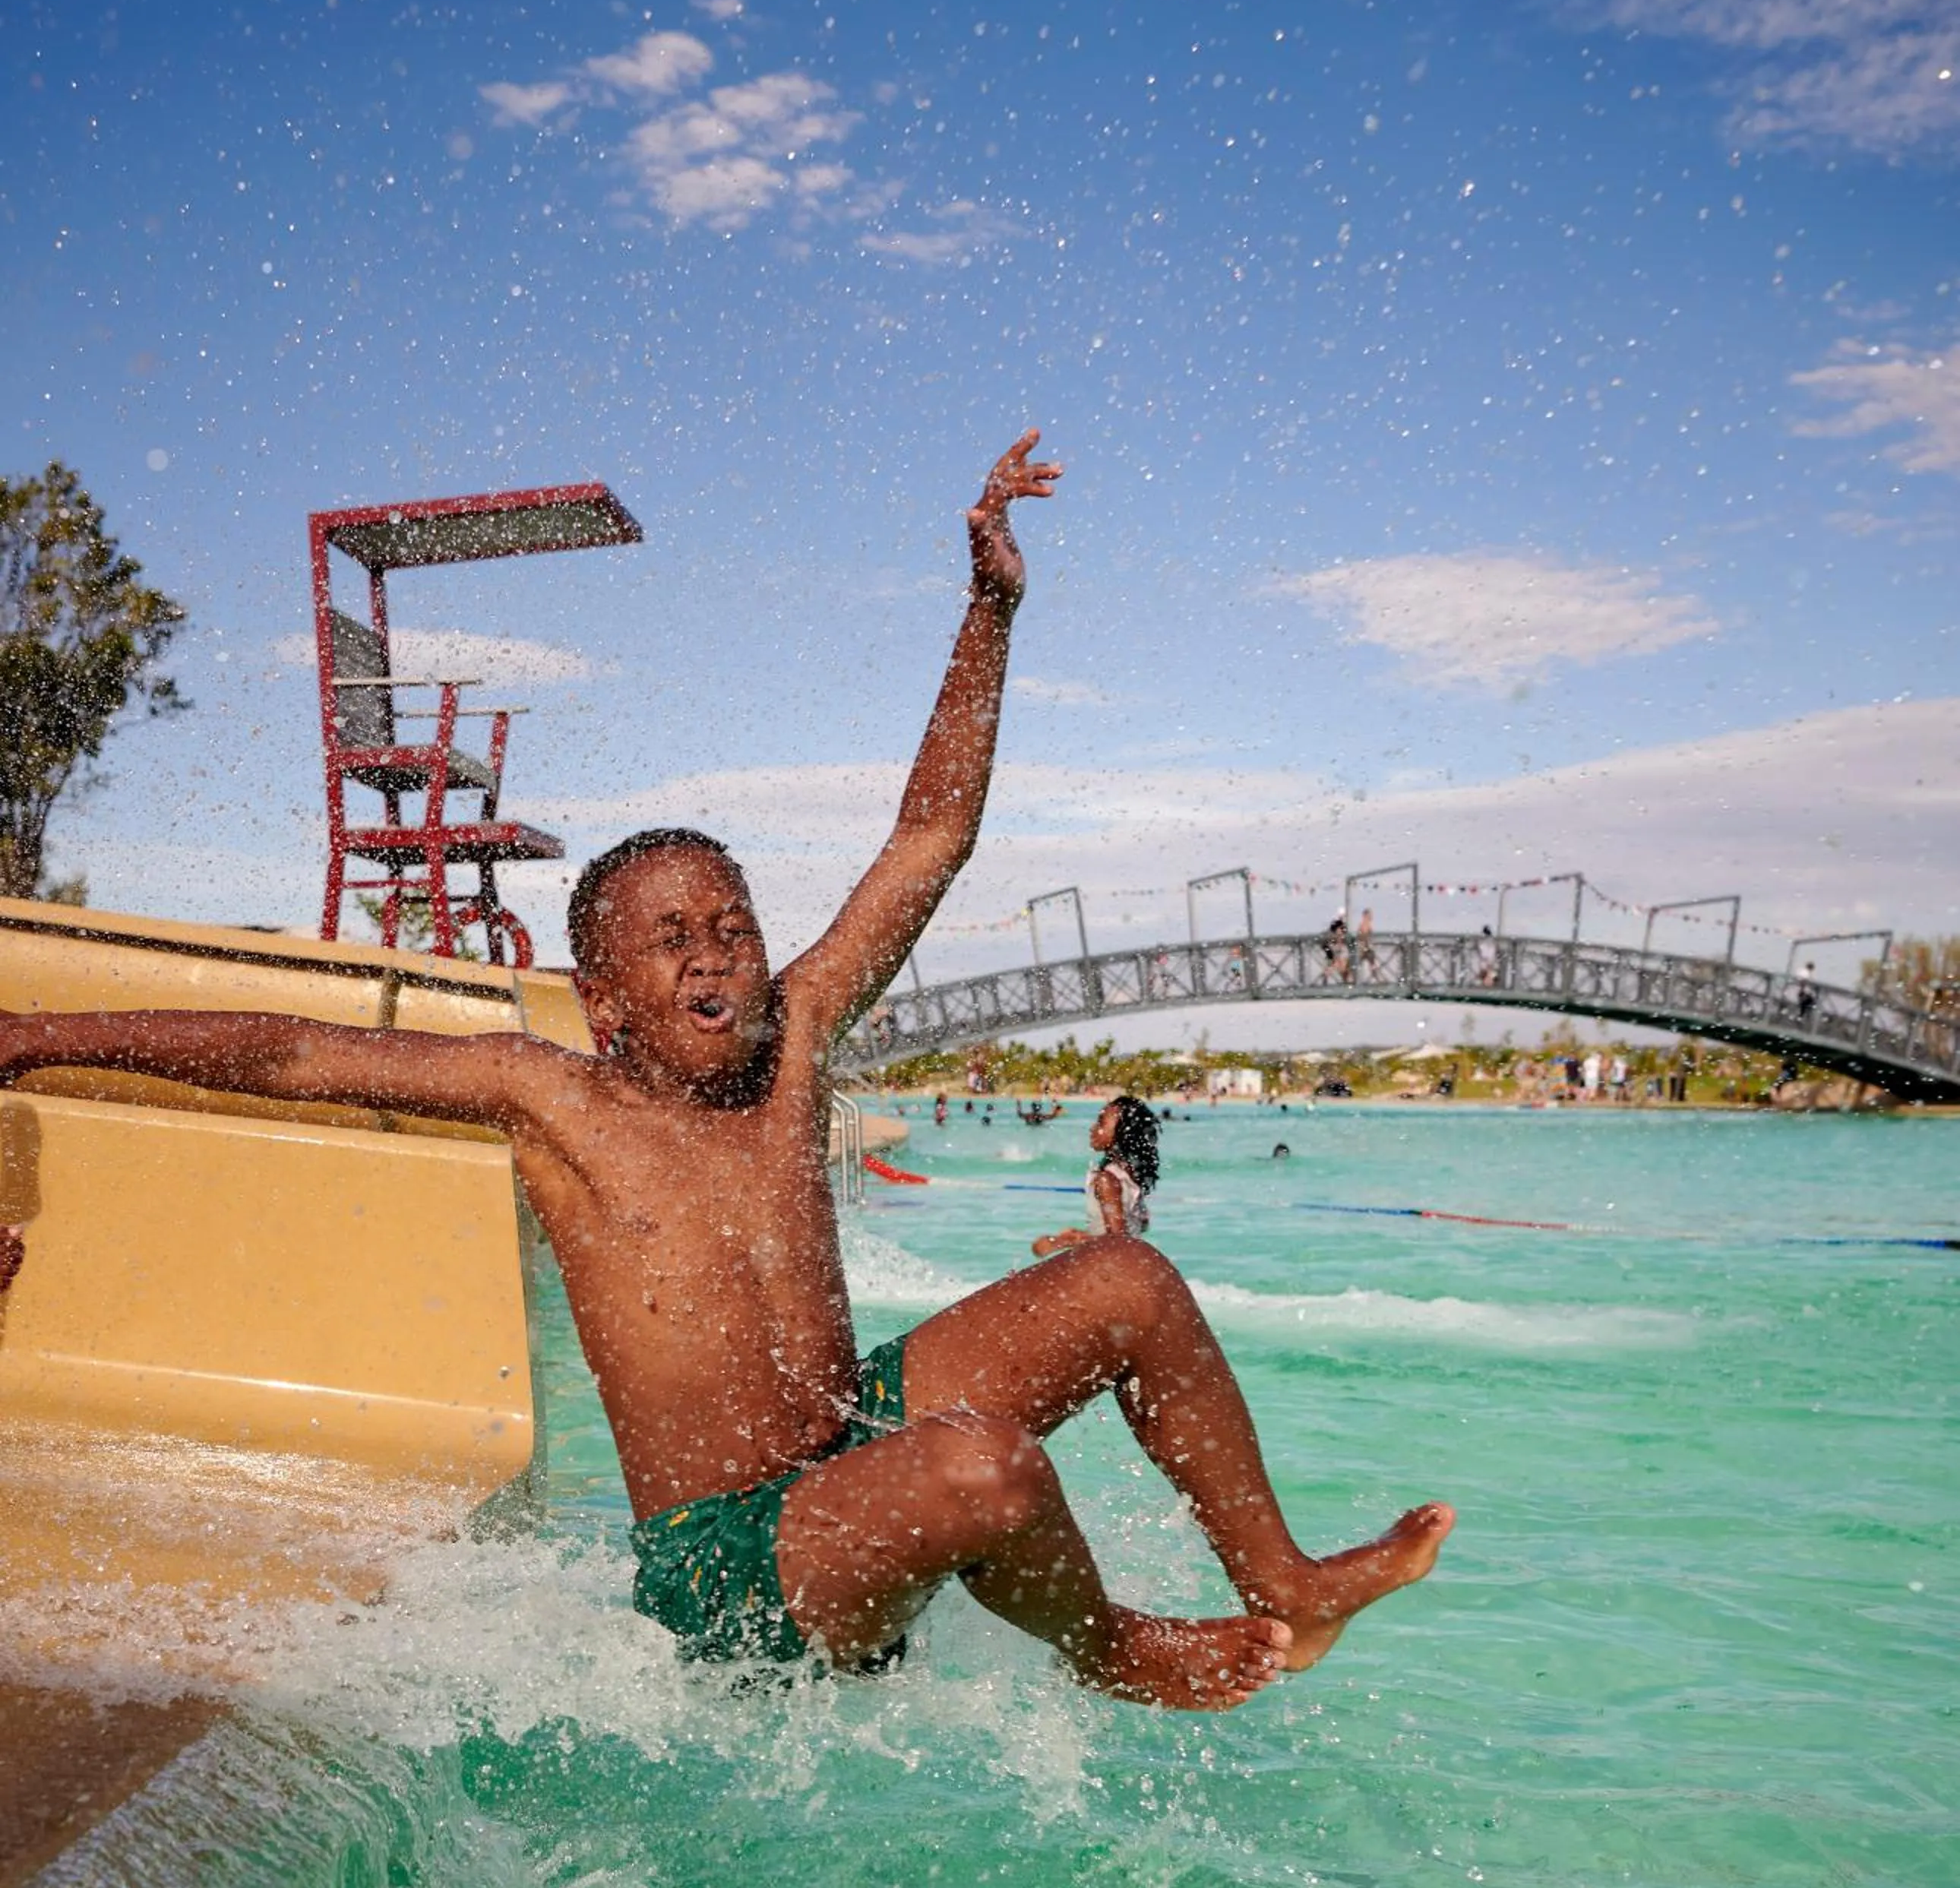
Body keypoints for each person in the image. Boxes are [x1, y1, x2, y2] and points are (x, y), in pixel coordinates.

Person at [0, 434, 1449, 1711]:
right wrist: (34, 1041)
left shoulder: (798, 1034)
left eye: (735, 928)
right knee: (990, 1469)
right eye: (671, 941)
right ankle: (1116, 1651)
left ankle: (1289, 1579)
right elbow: (293, 1052)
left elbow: (929, 840)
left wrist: (990, 611)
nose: (716, 959)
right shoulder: (550, 1095)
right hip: (729, 1561)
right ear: (606, 997)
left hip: (849, 1439)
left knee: (1130, 1285)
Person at [1031, 1095, 1160, 1257]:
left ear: (1123, 1134)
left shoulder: (1107, 1180)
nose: (1093, 1128)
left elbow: (1118, 1244)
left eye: (1101, 1123)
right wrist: (1084, 1234)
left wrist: (1068, 1241)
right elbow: (1136, 1229)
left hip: (1109, 1269)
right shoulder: (1131, 1178)